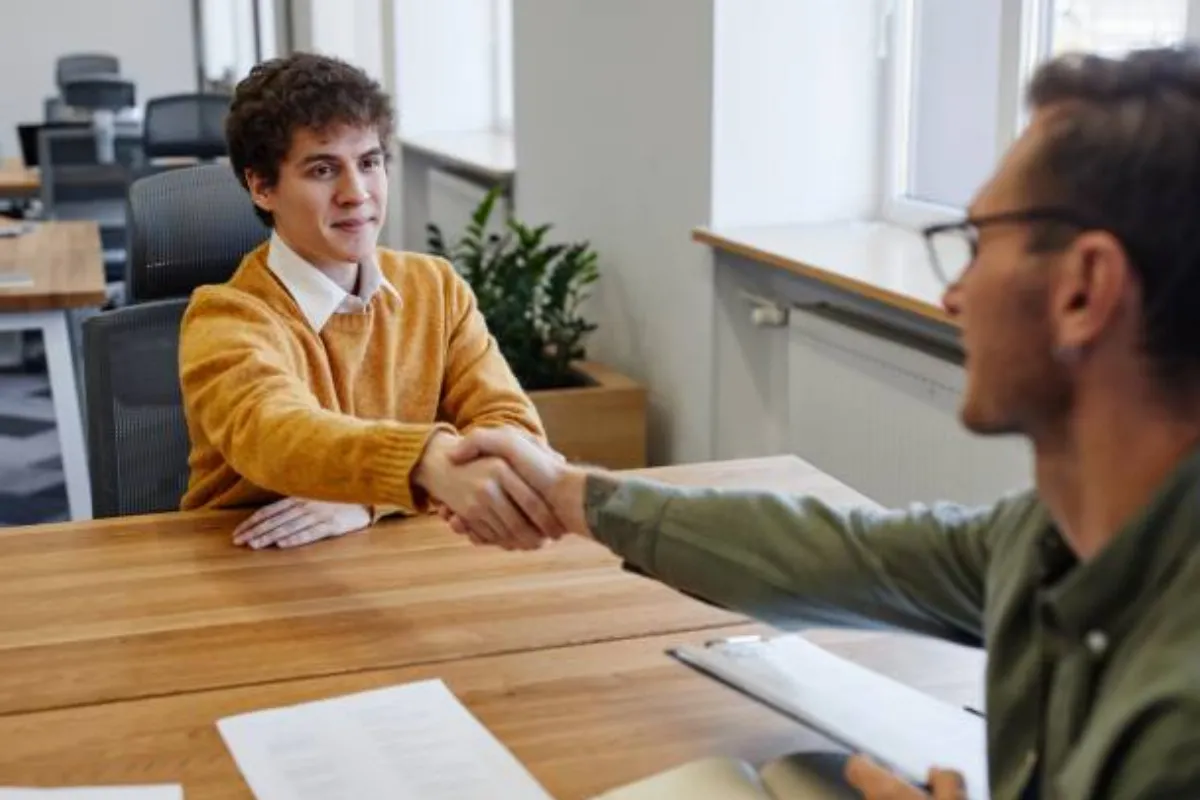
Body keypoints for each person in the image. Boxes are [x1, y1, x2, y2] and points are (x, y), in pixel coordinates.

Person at [442, 47, 1200, 799]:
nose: (954, 296)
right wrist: (572, 494)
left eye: (976, 246)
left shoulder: (1178, 723)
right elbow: (845, 555)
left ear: (1084, 290)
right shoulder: (1057, 535)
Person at [178, 52, 560, 551]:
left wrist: (372, 500)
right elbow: (275, 434)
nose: (356, 193)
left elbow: (516, 433)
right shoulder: (226, 317)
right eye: (322, 169)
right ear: (262, 186)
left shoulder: (436, 288)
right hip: (249, 566)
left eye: (369, 162)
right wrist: (425, 464)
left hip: (399, 561)